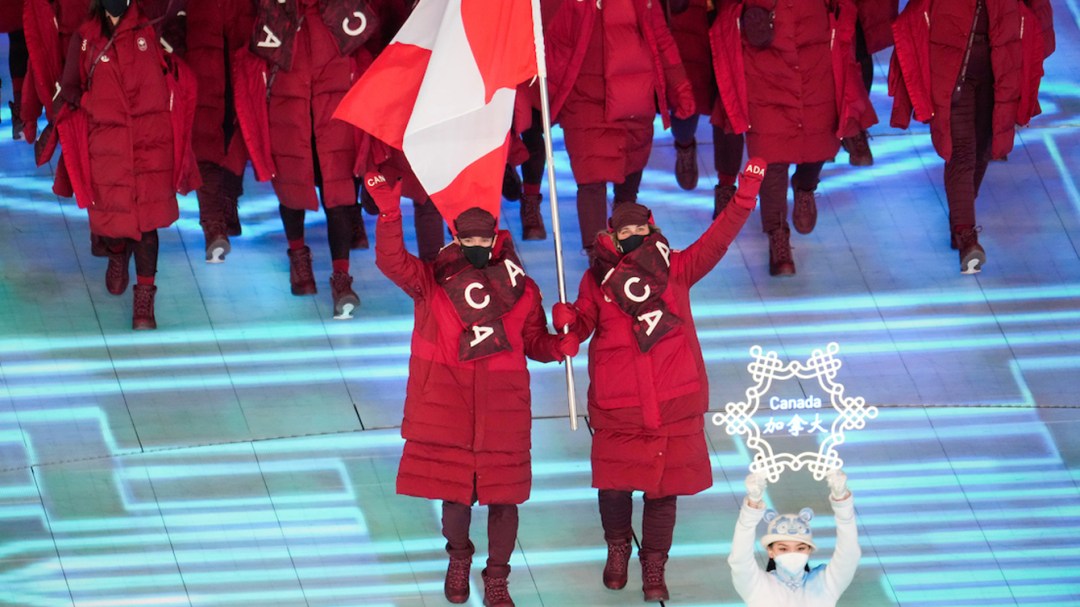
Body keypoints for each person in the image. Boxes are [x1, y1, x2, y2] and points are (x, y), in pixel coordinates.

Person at [552, 159, 765, 601]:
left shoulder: (678, 269)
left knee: (663, 493)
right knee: (613, 485)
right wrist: (569, 322)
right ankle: (617, 549)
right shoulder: (598, 280)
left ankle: (653, 565)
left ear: (652, 232)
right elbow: (584, 321)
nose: (631, 242)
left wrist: (744, 196)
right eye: (623, 236)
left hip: (673, 398)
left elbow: (718, 240)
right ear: (610, 237)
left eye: (638, 234)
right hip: (618, 401)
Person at [366, 172, 578, 607]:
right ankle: (459, 558)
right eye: (468, 241)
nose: (477, 248)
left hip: (503, 407)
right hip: (447, 403)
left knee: (505, 501)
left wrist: (560, 345)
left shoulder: (523, 290)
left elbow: (533, 341)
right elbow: (391, 261)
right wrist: (390, 214)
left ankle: (497, 578)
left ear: (496, 241)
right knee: (456, 499)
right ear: (455, 240)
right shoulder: (430, 281)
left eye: (483, 241)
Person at [55, 0, 198, 329]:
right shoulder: (86, 38)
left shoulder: (149, 29)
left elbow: (177, 75)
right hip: (107, 147)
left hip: (151, 143)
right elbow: (70, 88)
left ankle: (144, 299)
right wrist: (93, 104)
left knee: (147, 225)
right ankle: (117, 252)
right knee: (116, 220)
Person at [710, 0, 876, 276]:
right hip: (763, 65)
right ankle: (777, 236)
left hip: (816, 61)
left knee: (820, 143)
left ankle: (805, 185)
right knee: (771, 157)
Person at [889, 0, 1054, 274]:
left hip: (1000, 63)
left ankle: (961, 216)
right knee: (962, 151)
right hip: (951, 67)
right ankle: (967, 236)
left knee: (984, 147)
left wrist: (1037, 45)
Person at [543, 0, 695, 252]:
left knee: (627, 184)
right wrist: (539, 100)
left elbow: (660, 37)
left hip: (633, 100)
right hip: (584, 100)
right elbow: (549, 43)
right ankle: (599, 262)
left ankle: (628, 259)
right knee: (591, 181)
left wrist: (680, 86)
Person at [185, 0, 254, 263]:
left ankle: (228, 198)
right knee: (203, 138)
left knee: (240, 127)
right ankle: (213, 224)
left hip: (242, 38)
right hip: (197, 50)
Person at [664, 0, 747, 218]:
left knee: (730, 107)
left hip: (730, 16)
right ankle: (684, 145)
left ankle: (726, 186)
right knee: (685, 102)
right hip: (688, 15)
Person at [729, 470, 860, 607]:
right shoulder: (756, 586)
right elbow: (739, 558)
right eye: (783, 548)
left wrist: (842, 500)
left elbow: (849, 555)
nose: (792, 554)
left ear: (809, 550)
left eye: (800, 548)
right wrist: (752, 505)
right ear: (770, 551)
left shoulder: (826, 583)